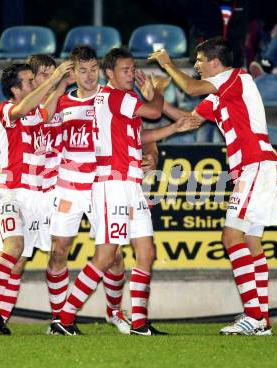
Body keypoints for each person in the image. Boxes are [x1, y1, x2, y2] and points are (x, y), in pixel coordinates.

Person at [50, 47, 201, 336]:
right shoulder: (113, 95)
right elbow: (156, 111)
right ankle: (65, 318)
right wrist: (155, 89)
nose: (132, 74)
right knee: (106, 255)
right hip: (113, 184)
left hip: (130, 183)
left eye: (133, 68)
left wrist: (174, 129)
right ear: (110, 73)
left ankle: (140, 323)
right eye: (126, 70)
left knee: (146, 251)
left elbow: (139, 135)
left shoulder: (121, 100)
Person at [149, 37, 277, 335]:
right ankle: (262, 321)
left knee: (231, 237)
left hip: (255, 165)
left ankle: (254, 316)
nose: (196, 65)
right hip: (256, 167)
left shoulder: (236, 77)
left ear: (215, 62)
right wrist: (155, 95)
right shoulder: (221, 93)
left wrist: (168, 64)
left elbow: (191, 88)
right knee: (250, 242)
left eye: (198, 60)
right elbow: (187, 120)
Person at [0, 59, 73, 335]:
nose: (35, 83)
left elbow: (47, 109)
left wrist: (59, 84)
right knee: (14, 248)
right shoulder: (6, 109)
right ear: (16, 89)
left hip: (37, 196)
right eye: (30, 81)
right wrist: (54, 77)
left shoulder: (37, 113)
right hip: (10, 192)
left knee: (10, 258)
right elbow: (23, 108)